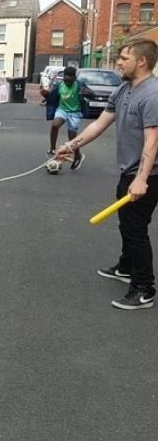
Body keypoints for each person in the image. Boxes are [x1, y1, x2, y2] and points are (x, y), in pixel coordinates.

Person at [56, 38, 158, 310]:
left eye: (124, 58)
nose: (118, 62)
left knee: (135, 229)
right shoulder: (124, 90)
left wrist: (141, 179)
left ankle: (144, 287)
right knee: (127, 223)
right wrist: (70, 146)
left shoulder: (152, 95)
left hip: (148, 175)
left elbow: (153, 142)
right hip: (129, 170)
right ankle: (126, 266)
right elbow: (99, 125)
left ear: (142, 61)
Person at [41, 66, 94, 169]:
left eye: (70, 81)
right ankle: (52, 148)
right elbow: (51, 97)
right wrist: (45, 95)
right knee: (55, 125)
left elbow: (93, 95)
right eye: (66, 80)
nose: (67, 83)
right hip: (62, 110)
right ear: (63, 78)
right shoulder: (59, 85)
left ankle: (78, 155)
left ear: (75, 78)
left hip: (75, 113)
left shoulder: (79, 85)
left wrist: (87, 93)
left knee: (72, 138)